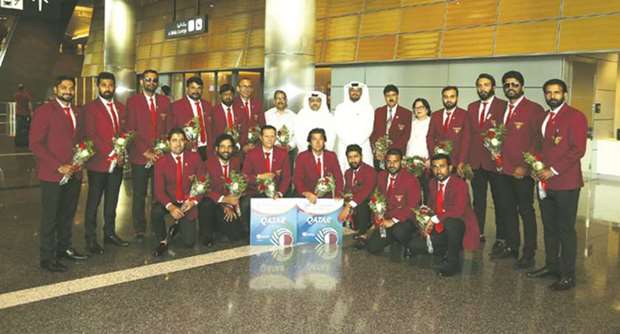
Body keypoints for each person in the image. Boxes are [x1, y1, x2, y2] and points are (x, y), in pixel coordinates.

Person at [527, 79, 587, 291]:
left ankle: (568, 275)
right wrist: (535, 164)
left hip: (566, 183)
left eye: (557, 92)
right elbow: (539, 145)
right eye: (549, 93)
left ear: (565, 94)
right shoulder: (544, 116)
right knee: (549, 227)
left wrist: (551, 170)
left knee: (565, 229)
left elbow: (577, 150)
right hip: (545, 183)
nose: (552, 96)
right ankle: (552, 266)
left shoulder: (576, 116)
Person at [30, 76, 88, 272]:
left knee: (67, 215)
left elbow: (79, 140)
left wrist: (80, 158)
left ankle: (64, 248)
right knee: (50, 217)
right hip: (52, 175)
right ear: (55, 89)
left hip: (74, 173)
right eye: (64, 87)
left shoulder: (77, 112)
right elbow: (35, 144)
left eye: (71, 88)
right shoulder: (44, 111)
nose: (68, 91)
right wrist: (58, 166)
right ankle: (47, 257)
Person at [494, 70, 546, 269]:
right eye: (507, 85)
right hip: (503, 170)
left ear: (522, 86)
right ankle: (512, 246)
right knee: (507, 210)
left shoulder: (534, 109)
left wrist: (525, 166)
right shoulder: (502, 109)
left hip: (521, 172)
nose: (510, 88)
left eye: (514, 84)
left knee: (526, 211)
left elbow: (538, 140)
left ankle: (529, 252)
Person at [408, 153, 480, 276]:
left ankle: (452, 263)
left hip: (459, 225)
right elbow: (432, 206)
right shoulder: (432, 183)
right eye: (435, 167)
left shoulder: (460, 184)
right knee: (414, 246)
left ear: (450, 168)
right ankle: (448, 248)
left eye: (442, 166)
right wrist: (425, 216)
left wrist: (435, 219)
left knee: (452, 223)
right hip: (440, 226)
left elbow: (458, 210)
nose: (438, 170)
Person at [83, 72, 128, 254]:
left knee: (112, 200)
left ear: (114, 86)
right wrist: (112, 153)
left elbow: (124, 132)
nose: (107, 88)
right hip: (98, 164)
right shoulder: (90, 108)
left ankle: (109, 233)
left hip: (116, 164)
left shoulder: (120, 107)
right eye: (104, 85)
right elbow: (91, 135)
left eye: (110, 85)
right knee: (93, 202)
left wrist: (121, 151)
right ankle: (90, 239)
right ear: (98, 86)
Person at [126, 69, 172, 241]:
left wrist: (163, 148)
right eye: (148, 80)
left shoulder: (164, 101)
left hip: (160, 156)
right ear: (141, 82)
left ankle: (156, 226)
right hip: (140, 156)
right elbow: (130, 129)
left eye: (154, 80)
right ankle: (139, 228)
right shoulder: (133, 101)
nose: (151, 83)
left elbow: (168, 127)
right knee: (139, 194)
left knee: (158, 193)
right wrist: (145, 151)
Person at [466, 73, 507, 244]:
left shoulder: (503, 106)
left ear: (493, 87)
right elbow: (468, 135)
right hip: (476, 162)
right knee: (478, 200)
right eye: (480, 85)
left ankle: (501, 236)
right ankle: (478, 232)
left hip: (495, 162)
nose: (483, 88)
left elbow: (507, 134)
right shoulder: (472, 107)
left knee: (500, 200)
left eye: (486, 85)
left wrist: (500, 154)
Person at [152, 128, 205, 256]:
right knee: (156, 211)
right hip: (170, 199)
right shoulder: (161, 162)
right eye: (174, 140)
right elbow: (159, 190)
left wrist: (193, 202)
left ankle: (177, 227)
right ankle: (162, 238)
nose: (178, 143)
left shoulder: (194, 157)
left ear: (186, 142)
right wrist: (171, 207)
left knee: (189, 242)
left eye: (181, 140)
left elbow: (202, 183)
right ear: (168, 142)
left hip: (188, 201)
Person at [366, 148, 421, 259]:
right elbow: (376, 197)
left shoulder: (411, 179)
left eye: (395, 161)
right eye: (389, 161)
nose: (392, 165)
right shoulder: (381, 176)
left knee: (399, 231)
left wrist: (393, 221)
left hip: (405, 220)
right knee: (372, 247)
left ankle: (410, 244)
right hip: (386, 219)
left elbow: (412, 206)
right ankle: (394, 239)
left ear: (401, 162)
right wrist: (377, 214)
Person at [240, 125, 292, 224]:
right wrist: (259, 177)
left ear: (276, 137)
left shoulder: (283, 153)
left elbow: (287, 177)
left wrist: (280, 193)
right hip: (255, 190)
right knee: (245, 203)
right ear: (261, 137)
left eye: (272, 136)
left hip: (276, 191)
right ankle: (247, 233)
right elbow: (245, 176)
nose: (269, 139)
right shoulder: (251, 154)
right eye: (266, 136)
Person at [202, 134, 245, 243]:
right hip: (214, 201)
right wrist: (224, 202)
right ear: (216, 149)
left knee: (237, 236)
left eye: (229, 146)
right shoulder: (207, 164)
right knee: (206, 204)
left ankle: (220, 225)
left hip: (229, 202)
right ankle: (207, 235)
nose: (226, 150)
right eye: (223, 146)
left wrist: (230, 205)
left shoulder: (236, 162)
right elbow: (204, 189)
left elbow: (238, 185)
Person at [426, 86, 470, 177]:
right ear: (442, 98)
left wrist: (461, 162)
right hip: (437, 163)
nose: (448, 99)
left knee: (456, 190)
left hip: (456, 163)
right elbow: (429, 136)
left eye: (452, 96)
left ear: (457, 98)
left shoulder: (464, 115)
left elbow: (466, 141)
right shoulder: (435, 115)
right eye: (445, 97)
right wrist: (433, 154)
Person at [338, 144, 377, 245]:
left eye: (356, 156)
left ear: (361, 156)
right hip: (354, 202)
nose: (353, 160)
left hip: (369, 205)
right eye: (350, 157)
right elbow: (347, 189)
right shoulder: (348, 173)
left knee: (362, 204)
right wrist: (343, 196)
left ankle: (363, 233)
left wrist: (348, 205)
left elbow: (366, 192)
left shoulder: (369, 171)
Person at [294, 128, 343, 203]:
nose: (317, 142)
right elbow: (297, 180)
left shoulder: (331, 156)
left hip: (326, 199)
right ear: (310, 142)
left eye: (320, 139)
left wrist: (338, 194)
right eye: (314, 139)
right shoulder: (302, 157)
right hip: (306, 198)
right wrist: (306, 193)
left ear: (324, 141)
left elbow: (339, 178)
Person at [168, 76, 212, 161]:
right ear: (187, 88)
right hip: (187, 150)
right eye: (193, 88)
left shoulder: (208, 106)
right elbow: (171, 129)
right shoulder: (176, 106)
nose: (196, 91)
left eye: (199, 88)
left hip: (207, 149)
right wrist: (183, 143)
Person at [334, 81, 374, 171]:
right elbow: (338, 128)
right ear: (348, 91)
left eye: (358, 90)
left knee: (365, 173)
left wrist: (356, 144)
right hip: (344, 145)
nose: (355, 92)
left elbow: (368, 129)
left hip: (362, 145)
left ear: (362, 92)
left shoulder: (368, 108)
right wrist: (349, 143)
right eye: (352, 90)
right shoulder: (340, 108)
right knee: (343, 172)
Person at [370, 84, 412, 169]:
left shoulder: (406, 113)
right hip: (379, 156)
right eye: (388, 95)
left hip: (396, 157)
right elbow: (373, 133)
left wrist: (389, 152)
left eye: (393, 95)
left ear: (397, 96)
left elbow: (405, 136)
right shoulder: (378, 112)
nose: (391, 98)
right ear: (384, 97)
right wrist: (376, 150)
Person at [265, 90, 297, 185]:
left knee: (287, 178)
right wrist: (275, 145)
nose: (280, 101)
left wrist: (290, 146)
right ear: (274, 101)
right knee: (271, 177)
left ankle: (285, 195)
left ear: (286, 101)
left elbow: (297, 134)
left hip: (288, 152)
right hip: (270, 151)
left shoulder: (294, 116)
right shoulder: (267, 115)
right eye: (278, 98)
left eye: (283, 98)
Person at [406, 98, 432, 204]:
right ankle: (415, 217)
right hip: (411, 164)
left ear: (427, 109)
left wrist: (431, 159)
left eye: (421, 107)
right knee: (413, 192)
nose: (418, 109)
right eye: (416, 108)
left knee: (428, 191)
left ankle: (427, 216)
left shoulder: (432, 122)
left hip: (426, 163)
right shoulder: (411, 124)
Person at [212, 84, 248, 150]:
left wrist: (239, 145)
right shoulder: (213, 112)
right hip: (220, 148)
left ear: (233, 95)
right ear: (220, 95)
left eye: (230, 94)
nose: (228, 97)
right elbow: (212, 133)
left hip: (238, 149)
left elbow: (244, 130)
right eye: (225, 94)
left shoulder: (241, 111)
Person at [233, 78, 265, 154]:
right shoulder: (233, 104)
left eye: (249, 87)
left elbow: (262, 125)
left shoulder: (257, 104)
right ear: (238, 88)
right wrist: (241, 146)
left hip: (255, 147)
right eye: (244, 86)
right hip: (238, 149)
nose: (247, 89)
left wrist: (256, 144)